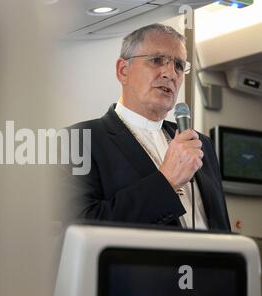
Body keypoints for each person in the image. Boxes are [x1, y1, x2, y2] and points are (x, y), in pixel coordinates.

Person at [66, 24, 231, 231]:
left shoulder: (200, 143)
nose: (170, 73)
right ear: (123, 70)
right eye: (157, 60)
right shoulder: (78, 140)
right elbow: (82, 228)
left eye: (179, 65)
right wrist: (167, 180)